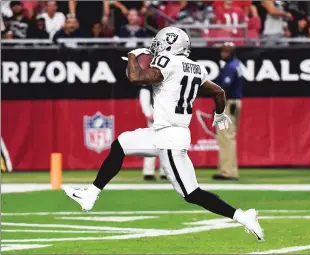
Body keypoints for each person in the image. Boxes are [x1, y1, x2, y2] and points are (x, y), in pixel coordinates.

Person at [62, 27, 264, 242]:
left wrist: (133, 55)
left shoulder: (167, 62)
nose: (156, 46)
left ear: (170, 44)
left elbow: (135, 77)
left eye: (160, 43)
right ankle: (90, 194)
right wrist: (220, 113)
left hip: (169, 138)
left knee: (192, 194)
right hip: (164, 133)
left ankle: (242, 216)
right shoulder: (196, 67)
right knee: (121, 144)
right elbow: (218, 92)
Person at [212, 43, 243, 181]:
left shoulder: (230, 67)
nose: (223, 54)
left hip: (228, 103)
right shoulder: (237, 64)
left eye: (226, 52)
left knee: (226, 137)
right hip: (235, 103)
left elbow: (224, 87)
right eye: (222, 52)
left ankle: (227, 171)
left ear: (232, 52)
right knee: (229, 137)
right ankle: (231, 170)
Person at [139, 85, 166, 180]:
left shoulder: (167, 80)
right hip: (155, 116)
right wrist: (148, 113)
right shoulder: (149, 83)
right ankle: (148, 172)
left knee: (166, 145)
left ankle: (165, 172)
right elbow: (144, 94)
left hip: (167, 116)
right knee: (153, 144)